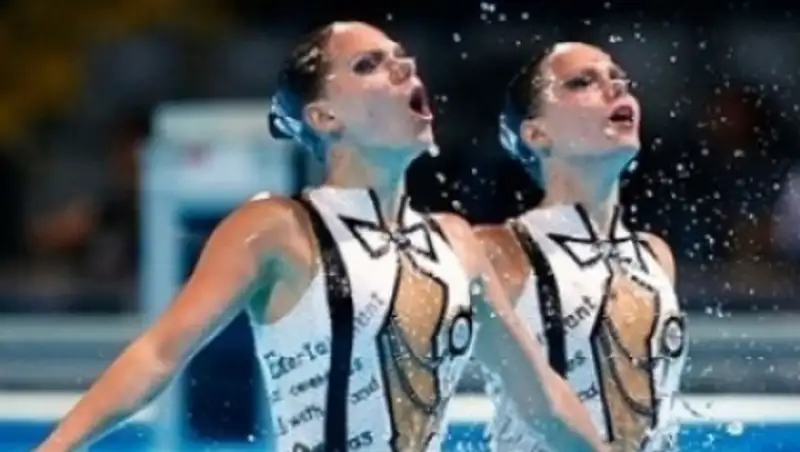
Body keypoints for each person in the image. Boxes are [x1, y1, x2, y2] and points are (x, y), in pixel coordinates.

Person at [35, 23, 606, 452]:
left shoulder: (457, 243)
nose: (405, 69)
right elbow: (159, 353)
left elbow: (543, 400)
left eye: (403, 59)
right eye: (369, 64)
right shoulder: (277, 228)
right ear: (324, 118)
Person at [476, 42, 687, 451]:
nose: (616, 88)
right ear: (537, 133)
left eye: (619, 79)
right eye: (581, 82)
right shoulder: (496, 250)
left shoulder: (654, 256)